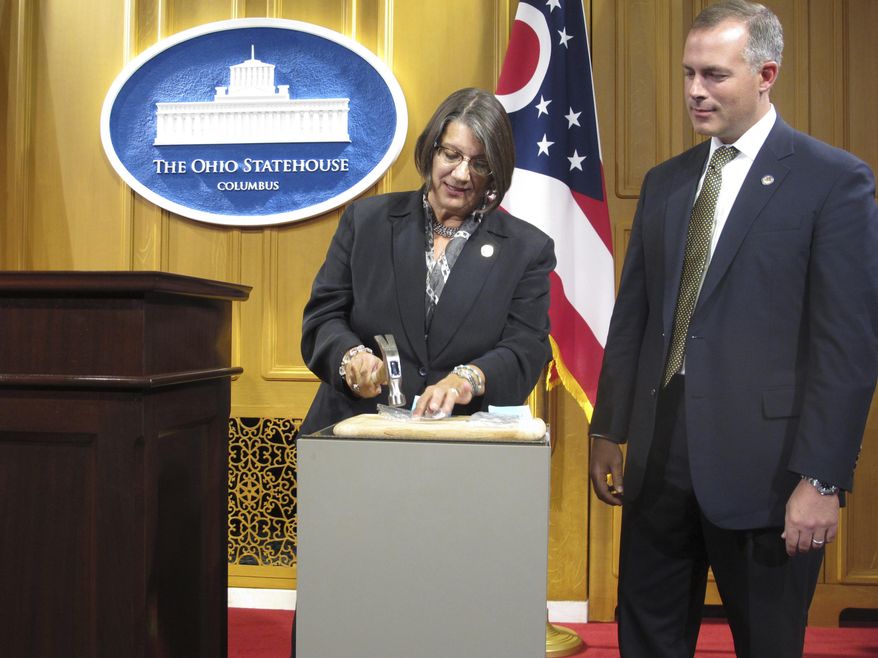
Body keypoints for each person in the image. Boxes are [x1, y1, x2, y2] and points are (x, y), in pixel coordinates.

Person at [588, 2, 878, 657]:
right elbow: (633, 318)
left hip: (770, 475)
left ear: (765, 73)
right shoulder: (666, 183)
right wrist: (608, 428)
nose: (695, 90)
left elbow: (849, 347)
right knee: (647, 640)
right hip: (659, 462)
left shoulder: (833, 182)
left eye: (714, 75)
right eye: (689, 73)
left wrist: (823, 480)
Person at [298, 87, 554, 434]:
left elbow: (525, 347)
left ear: (495, 172)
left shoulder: (527, 249)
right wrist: (350, 358)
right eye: (452, 155)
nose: (462, 175)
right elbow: (323, 318)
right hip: (355, 432)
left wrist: (469, 380)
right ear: (432, 149)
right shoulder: (366, 221)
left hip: (461, 444)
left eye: (479, 164)